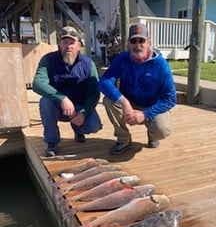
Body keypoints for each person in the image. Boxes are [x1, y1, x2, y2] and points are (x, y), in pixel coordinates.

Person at [98, 23, 177, 155]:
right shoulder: (122, 59)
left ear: (149, 42)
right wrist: (124, 102)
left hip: (152, 106)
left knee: (162, 130)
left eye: (142, 40)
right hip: (129, 103)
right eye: (133, 41)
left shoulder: (161, 65)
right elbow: (104, 82)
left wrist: (145, 115)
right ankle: (124, 140)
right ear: (128, 43)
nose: (137, 44)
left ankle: (152, 136)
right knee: (108, 101)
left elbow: (170, 99)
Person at [32, 26, 102, 157]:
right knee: (45, 102)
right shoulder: (48, 60)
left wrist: (84, 112)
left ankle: (78, 129)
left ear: (79, 45)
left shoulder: (88, 63)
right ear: (59, 44)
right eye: (65, 42)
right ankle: (52, 142)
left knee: (93, 126)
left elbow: (94, 93)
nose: (68, 46)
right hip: (57, 107)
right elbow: (37, 83)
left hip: (80, 106)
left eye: (72, 42)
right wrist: (62, 98)